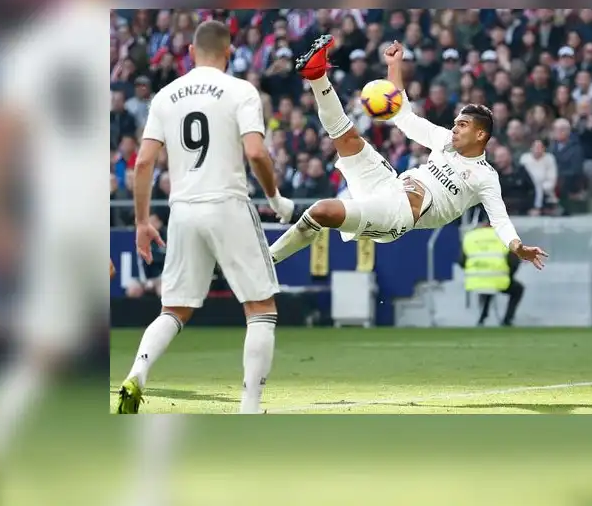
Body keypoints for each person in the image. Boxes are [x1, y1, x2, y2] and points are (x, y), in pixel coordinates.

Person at [115, 20, 296, 415]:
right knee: (261, 308)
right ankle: (249, 406)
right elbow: (256, 153)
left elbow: (143, 161)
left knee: (173, 310)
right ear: (229, 51)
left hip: (182, 210)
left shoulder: (165, 96)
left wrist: (143, 222)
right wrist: (275, 197)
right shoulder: (240, 91)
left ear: (191, 52)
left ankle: (136, 375)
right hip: (227, 204)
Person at [269, 37, 548, 272]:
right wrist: (394, 66)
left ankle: (267, 261)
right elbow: (403, 116)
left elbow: (499, 219)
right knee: (348, 138)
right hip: (390, 184)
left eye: (462, 125)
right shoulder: (444, 140)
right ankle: (317, 76)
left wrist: (517, 246)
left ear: (480, 135)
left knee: (322, 210)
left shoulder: (485, 176)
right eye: (455, 122)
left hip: (398, 215)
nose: (454, 127)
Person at [458, 215, 525, 327]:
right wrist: (509, 275)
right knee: (518, 289)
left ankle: (483, 317)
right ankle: (507, 320)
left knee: (487, 286)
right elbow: (514, 262)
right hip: (498, 278)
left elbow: (461, 261)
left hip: (475, 280)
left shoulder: (470, 236)